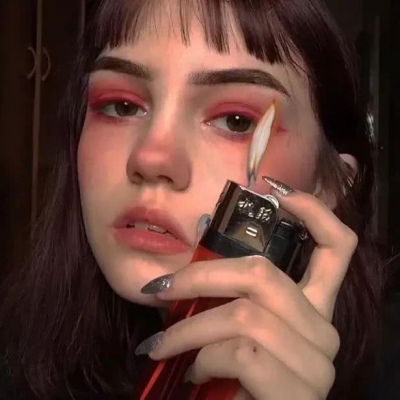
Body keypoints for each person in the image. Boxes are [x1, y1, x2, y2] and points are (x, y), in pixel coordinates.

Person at [0, 0, 384, 399]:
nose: (151, 158)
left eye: (236, 121)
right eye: (122, 107)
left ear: (329, 185)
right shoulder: (16, 363)